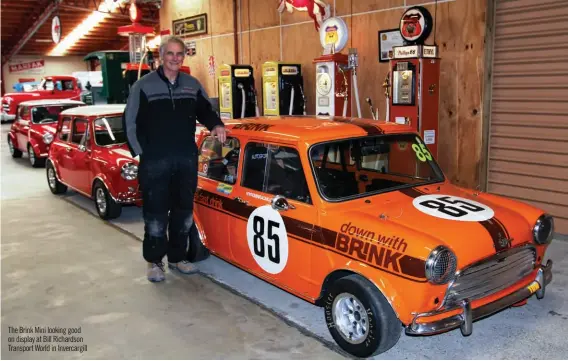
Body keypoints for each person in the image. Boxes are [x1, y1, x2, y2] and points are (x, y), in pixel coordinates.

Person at [123, 35, 227, 282]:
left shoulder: (192, 84)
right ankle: (155, 261)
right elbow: (129, 120)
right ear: (161, 55)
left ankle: (178, 257)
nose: (175, 58)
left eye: (179, 54)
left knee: (183, 212)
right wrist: (141, 152)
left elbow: (205, 110)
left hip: (185, 159)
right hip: (155, 161)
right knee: (156, 213)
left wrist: (217, 125)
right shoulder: (143, 86)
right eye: (170, 53)